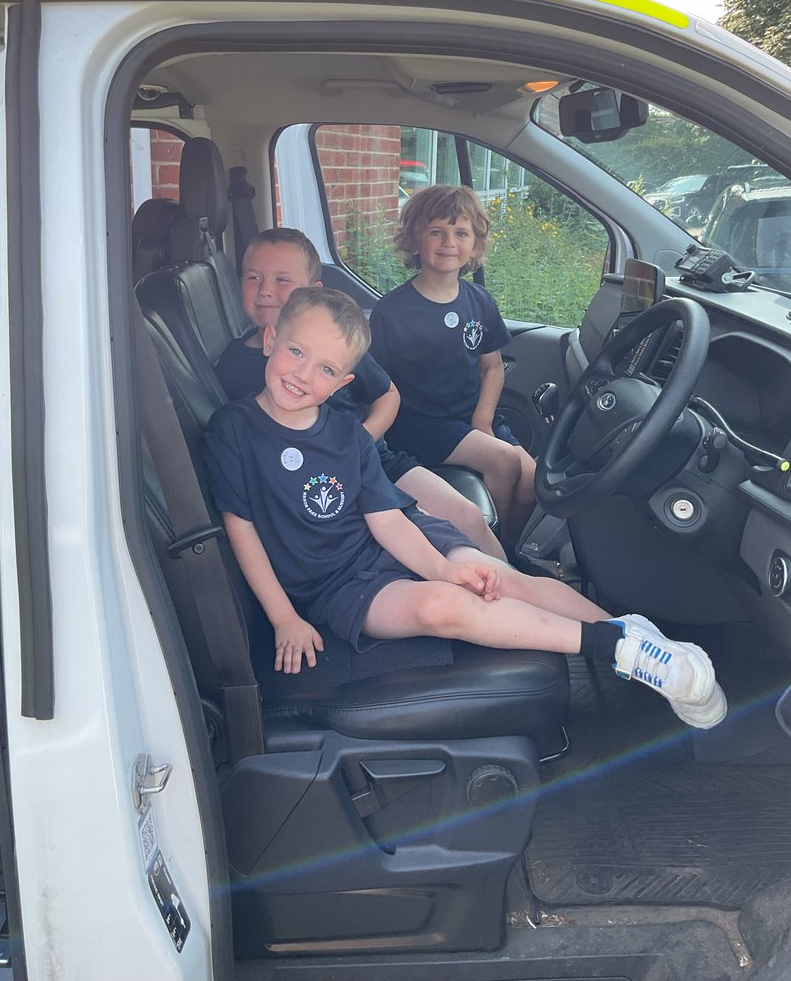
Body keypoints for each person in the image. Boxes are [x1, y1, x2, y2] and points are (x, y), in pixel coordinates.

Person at [202, 287, 726, 730]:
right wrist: (284, 616)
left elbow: (386, 520)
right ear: (270, 340)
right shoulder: (233, 430)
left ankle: (639, 644)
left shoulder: (348, 433)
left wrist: (444, 566)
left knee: (498, 576)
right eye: (294, 352)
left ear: (343, 384)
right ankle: (616, 648)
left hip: (393, 538)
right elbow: (241, 529)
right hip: (335, 586)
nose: (301, 374)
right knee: (445, 609)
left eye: (324, 369)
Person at [215, 226, 508, 559]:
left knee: (468, 518)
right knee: (423, 539)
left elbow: (388, 396)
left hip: (376, 461)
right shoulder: (232, 367)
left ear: (314, 290)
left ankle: (518, 591)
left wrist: (361, 442)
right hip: (312, 483)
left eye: (283, 280)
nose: (266, 291)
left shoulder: (335, 344)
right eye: (253, 278)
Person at [369, 185, 536, 549]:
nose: (449, 242)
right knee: (505, 461)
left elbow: (491, 368)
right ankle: (501, 554)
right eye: (436, 232)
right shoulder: (392, 312)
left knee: (534, 478)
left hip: (469, 418)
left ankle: (512, 544)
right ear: (415, 240)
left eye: (461, 233)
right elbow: (377, 386)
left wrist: (483, 421)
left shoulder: (478, 301)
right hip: (420, 425)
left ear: (474, 246)